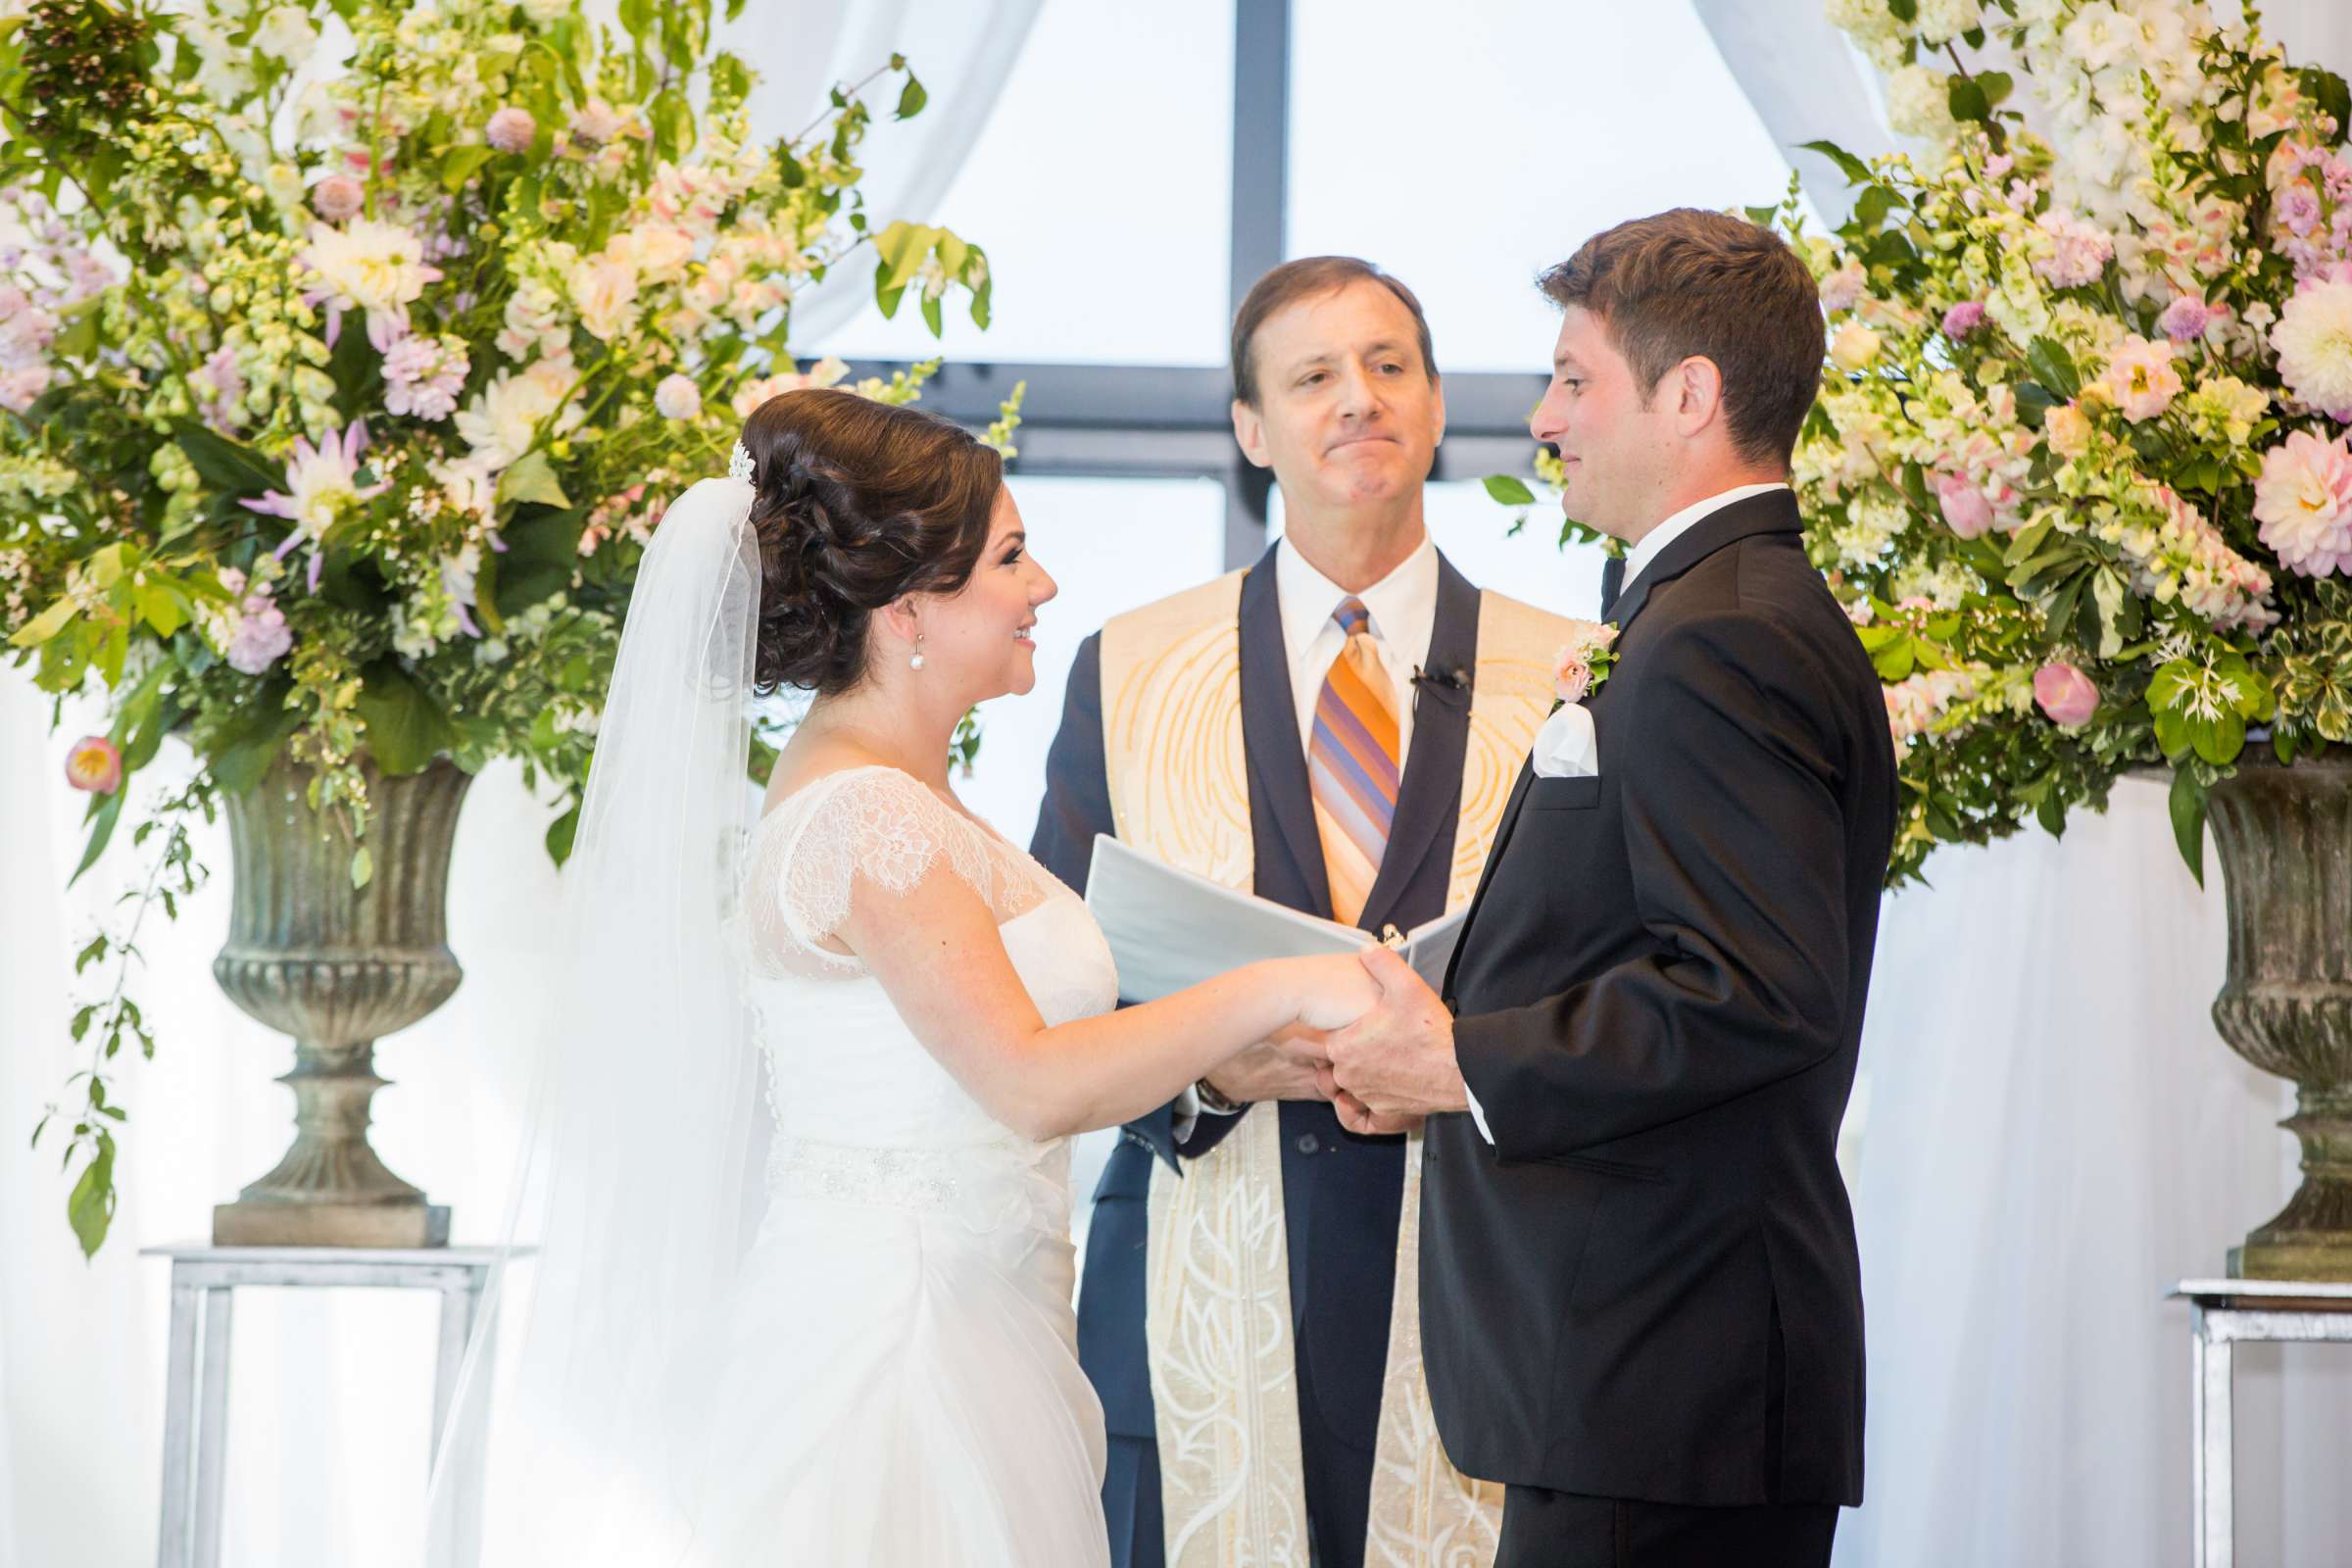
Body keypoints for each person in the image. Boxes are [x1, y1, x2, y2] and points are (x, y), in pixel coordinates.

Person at [424, 387, 1380, 1566]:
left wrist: (1227, 1063)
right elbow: (1026, 1082)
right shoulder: (872, 816)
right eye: (1013, 558)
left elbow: (988, 1053)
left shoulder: (907, 796)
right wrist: (1280, 980)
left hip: (989, 1308)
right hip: (899, 1348)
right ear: (910, 605)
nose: (1045, 589)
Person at [1320, 210, 1898, 1568]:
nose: (1543, 417)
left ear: (1690, 395)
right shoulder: (1706, 607)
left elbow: (1753, 990)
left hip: (1662, 1365)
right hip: (1648, 1374)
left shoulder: (1724, 635)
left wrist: (1457, 1058)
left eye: (1577, 380)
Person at [1031, 257, 1578, 1568]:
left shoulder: (1565, 672)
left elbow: (1603, 968)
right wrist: (1202, 1062)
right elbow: (1051, 974)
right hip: (1194, 1251)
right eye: (1314, 375)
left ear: (1439, 409)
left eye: (1391, 367)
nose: (1358, 401)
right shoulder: (1132, 664)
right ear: (1250, 428)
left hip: (1484, 1275)